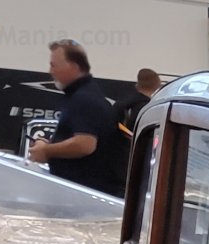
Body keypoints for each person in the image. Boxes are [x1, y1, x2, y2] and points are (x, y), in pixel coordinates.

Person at [27, 40, 120, 195]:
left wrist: (47, 150)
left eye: (54, 65)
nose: (51, 71)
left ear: (74, 67)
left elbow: (84, 145)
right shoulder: (84, 95)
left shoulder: (84, 98)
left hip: (84, 195)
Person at [111, 67, 162, 189]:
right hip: (138, 166)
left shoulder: (121, 104)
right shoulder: (148, 109)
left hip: (114, 164)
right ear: (157, 84)